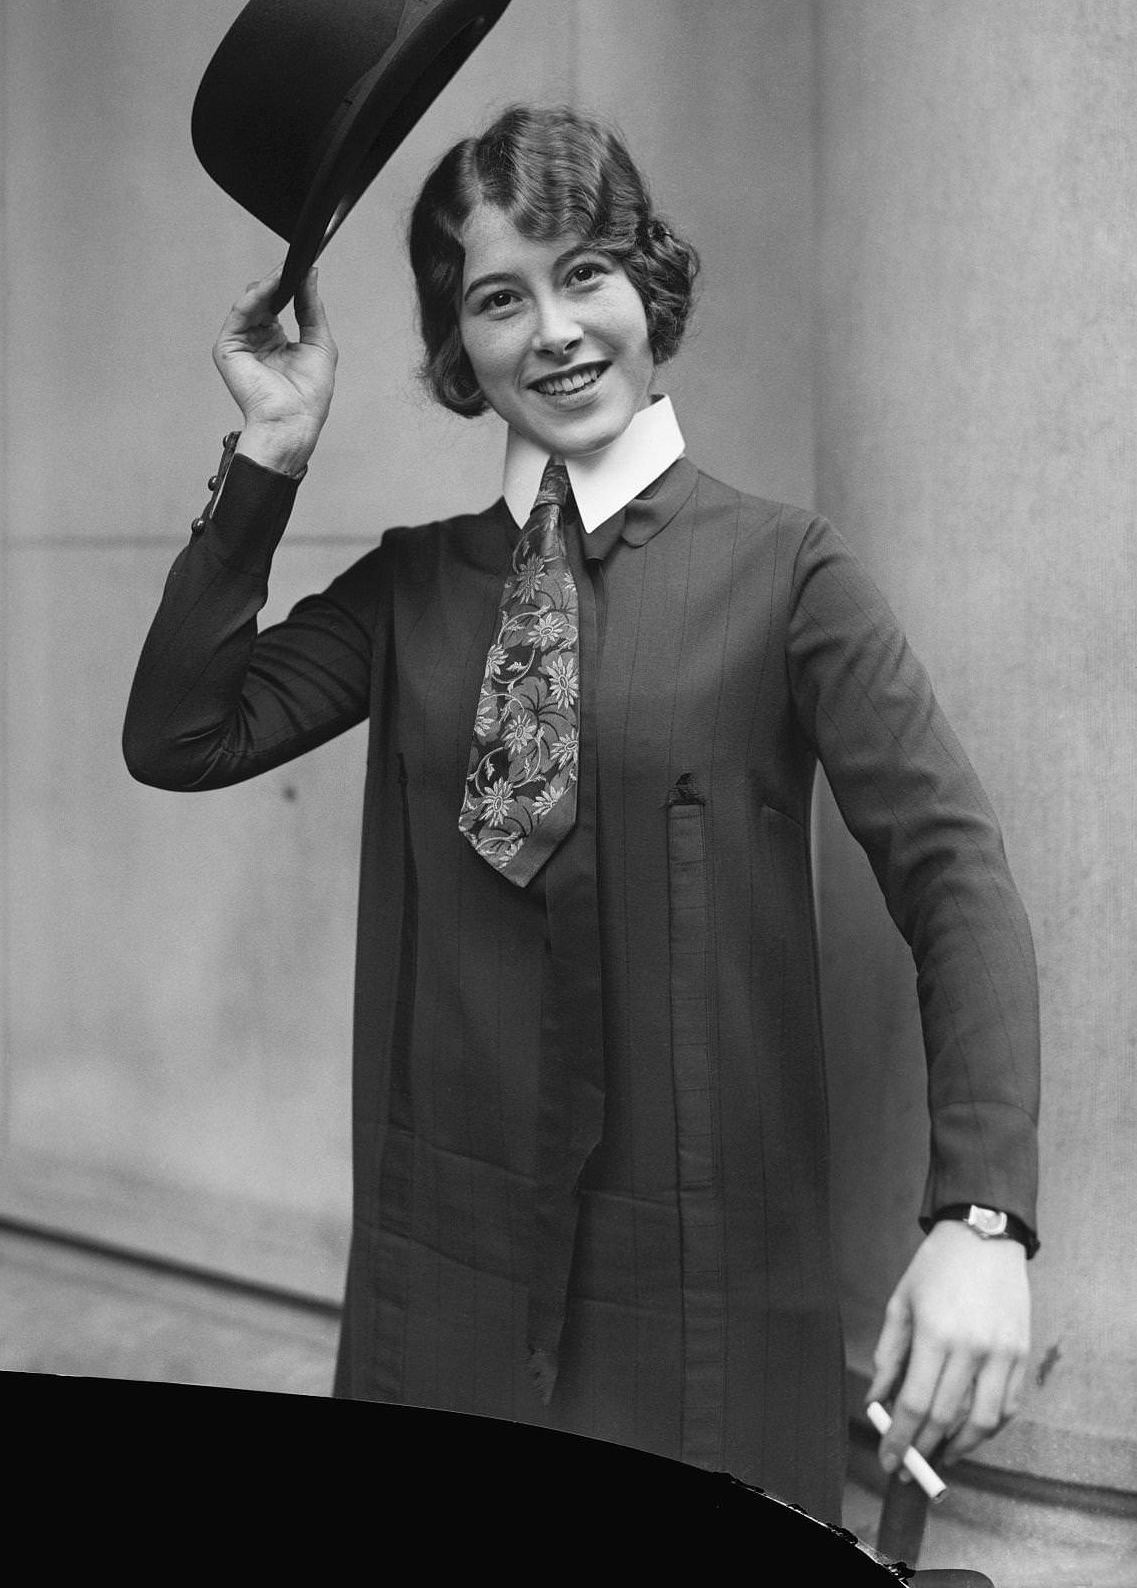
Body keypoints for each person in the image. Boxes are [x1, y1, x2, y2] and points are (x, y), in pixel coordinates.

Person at [123, 104, 1039, 1524]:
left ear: (647, 286)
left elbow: (951, 875)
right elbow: (181, 735)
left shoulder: (783, 573)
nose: (552, 328)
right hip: (444, 1299)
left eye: (585, 271)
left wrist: (981, 1216)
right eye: (499, 297)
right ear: (456, 350)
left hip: (706, 1318)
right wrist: (273, 452)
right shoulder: (412, 587)